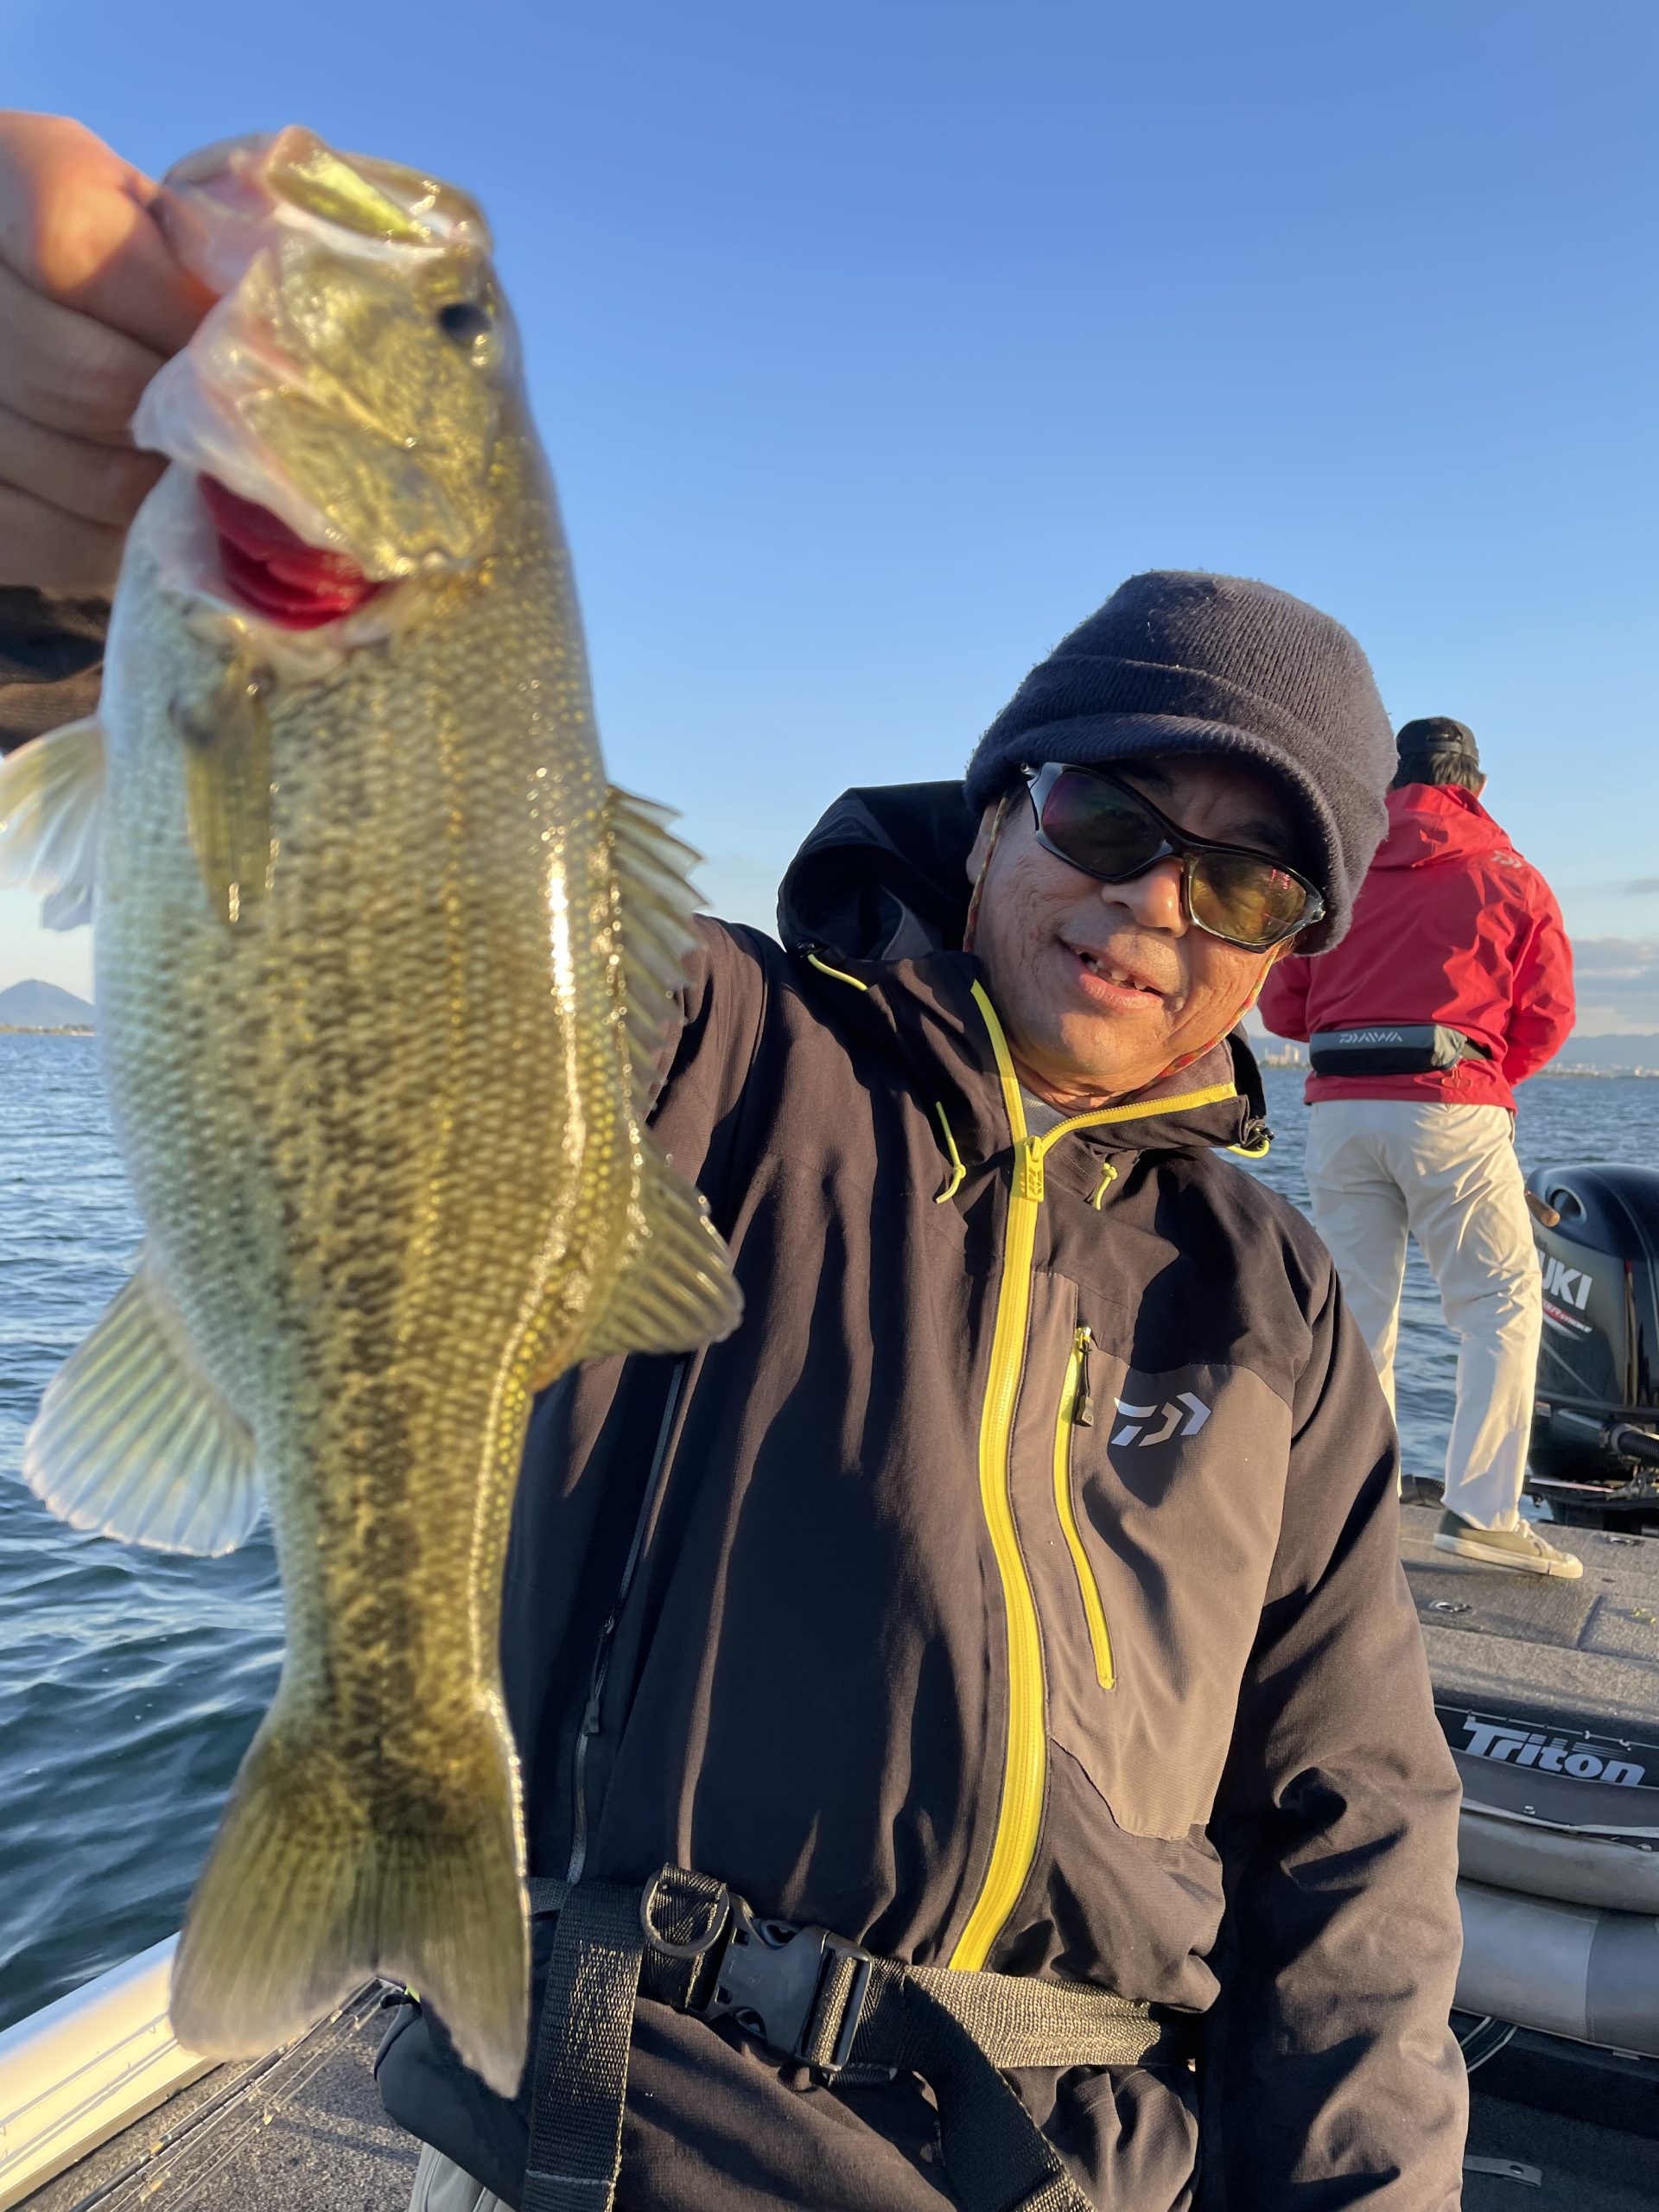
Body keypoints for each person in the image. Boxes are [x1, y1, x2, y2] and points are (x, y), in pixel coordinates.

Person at [0, 113, 1467, 2212]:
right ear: (993, 813)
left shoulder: (1274, 1299)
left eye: (1243, 879)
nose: (1156, 900)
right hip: (627, 2127)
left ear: (1281, 949)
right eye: (1109, 816)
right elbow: (400, 908)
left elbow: (1357, 1832)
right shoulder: (727, 1058)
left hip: (1071, 2166)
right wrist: (49, 590)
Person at [1260, 716, 1577, 1578]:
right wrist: (1486, 1076)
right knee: (1499, 1303)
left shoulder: (1342, 874)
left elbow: (1283, 1007)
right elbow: (1549, 1015)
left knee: (1358, 1317)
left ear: (1388, 781)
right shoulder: (1511, 875)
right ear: (1476, 784)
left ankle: (1352, 1513)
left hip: (1339, 1109)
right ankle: (1483, 1515)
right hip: (1449, 1106)